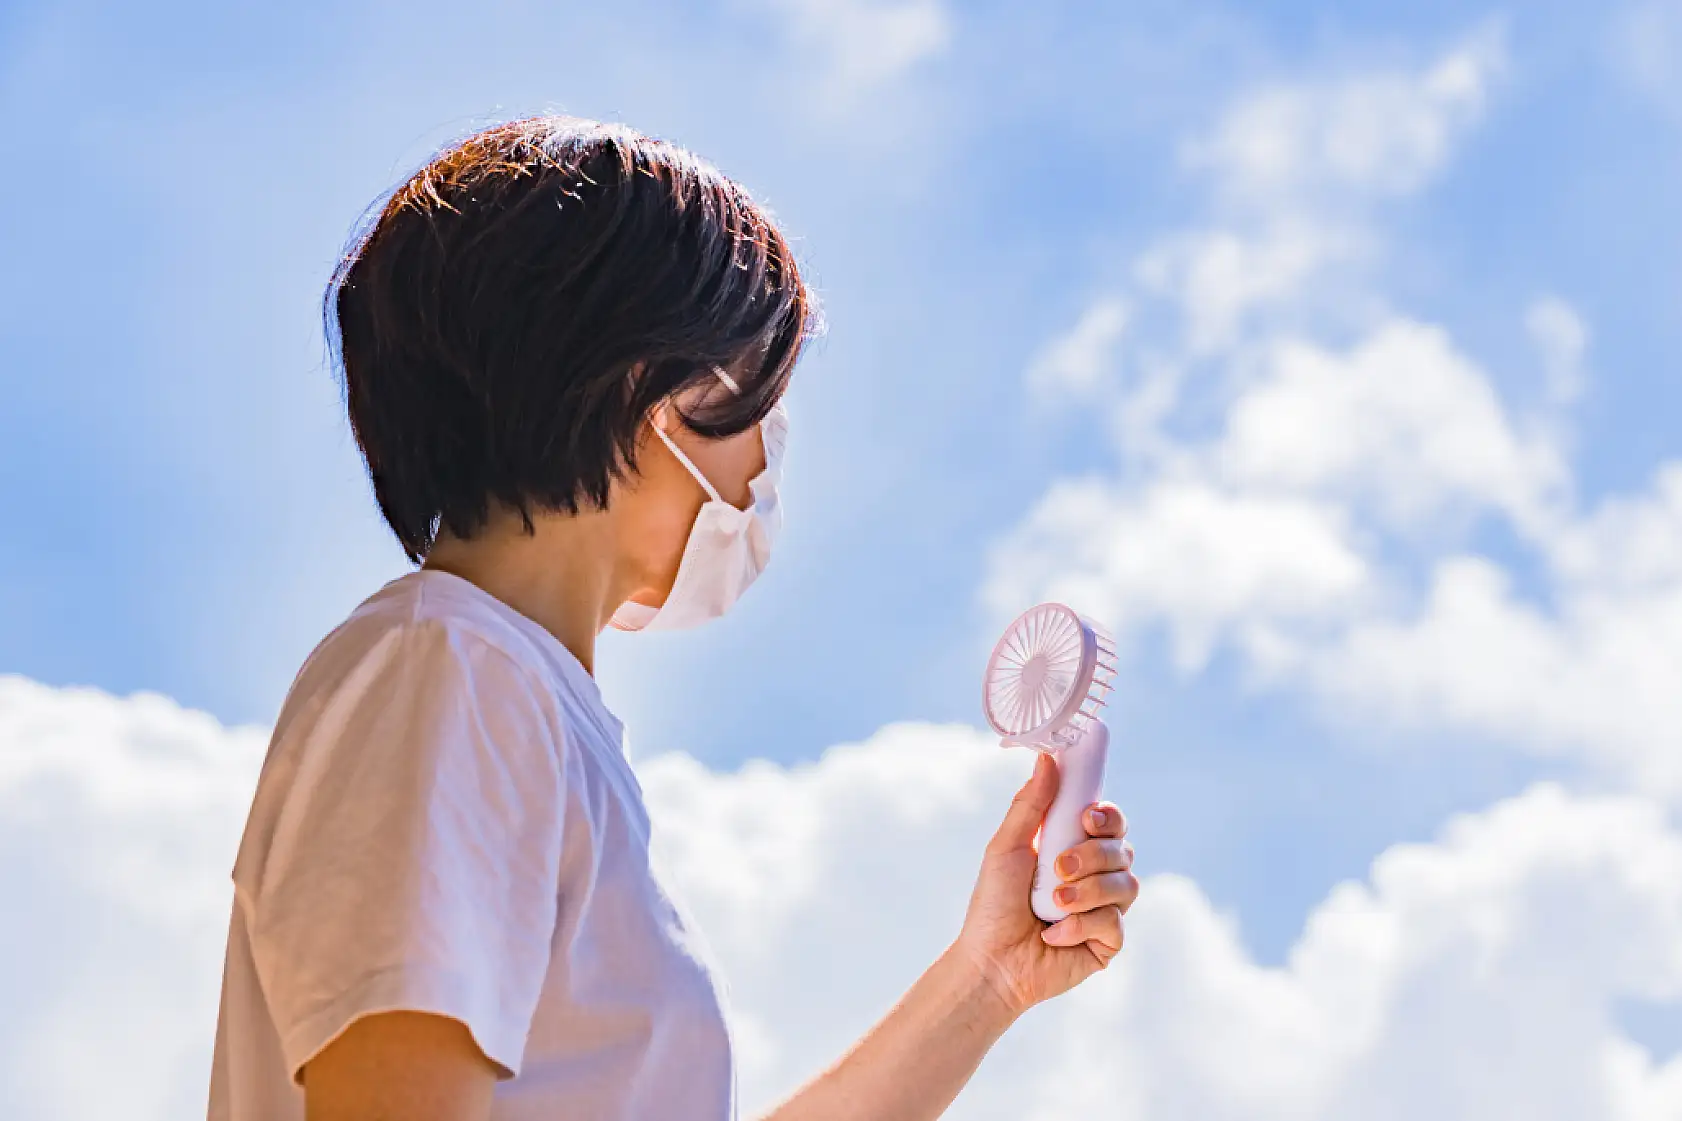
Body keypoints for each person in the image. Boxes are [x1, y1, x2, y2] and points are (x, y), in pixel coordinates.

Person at [205, 115, 1139, 1121]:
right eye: (762, 402)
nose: (765, 461)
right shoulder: (452, 671)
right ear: (653, 387)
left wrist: (985, 980)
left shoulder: (500, 694)